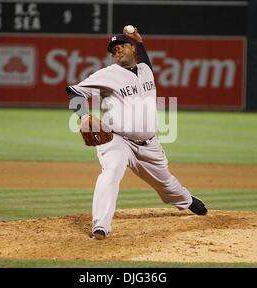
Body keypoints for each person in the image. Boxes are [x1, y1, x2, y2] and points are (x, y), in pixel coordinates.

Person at [66, 26, 207, 240]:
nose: (117, 51)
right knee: (111, 173)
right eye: (113, 50)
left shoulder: (145, 70)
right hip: (117, 140)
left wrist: (140, 42)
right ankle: (100, 226)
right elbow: (74, 92)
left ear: (132, 49)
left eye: (121, 46)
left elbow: (145, 62)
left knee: (166, 184)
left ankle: (186, 200)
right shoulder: (107, 74)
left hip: (149, 145)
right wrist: (84, 116)